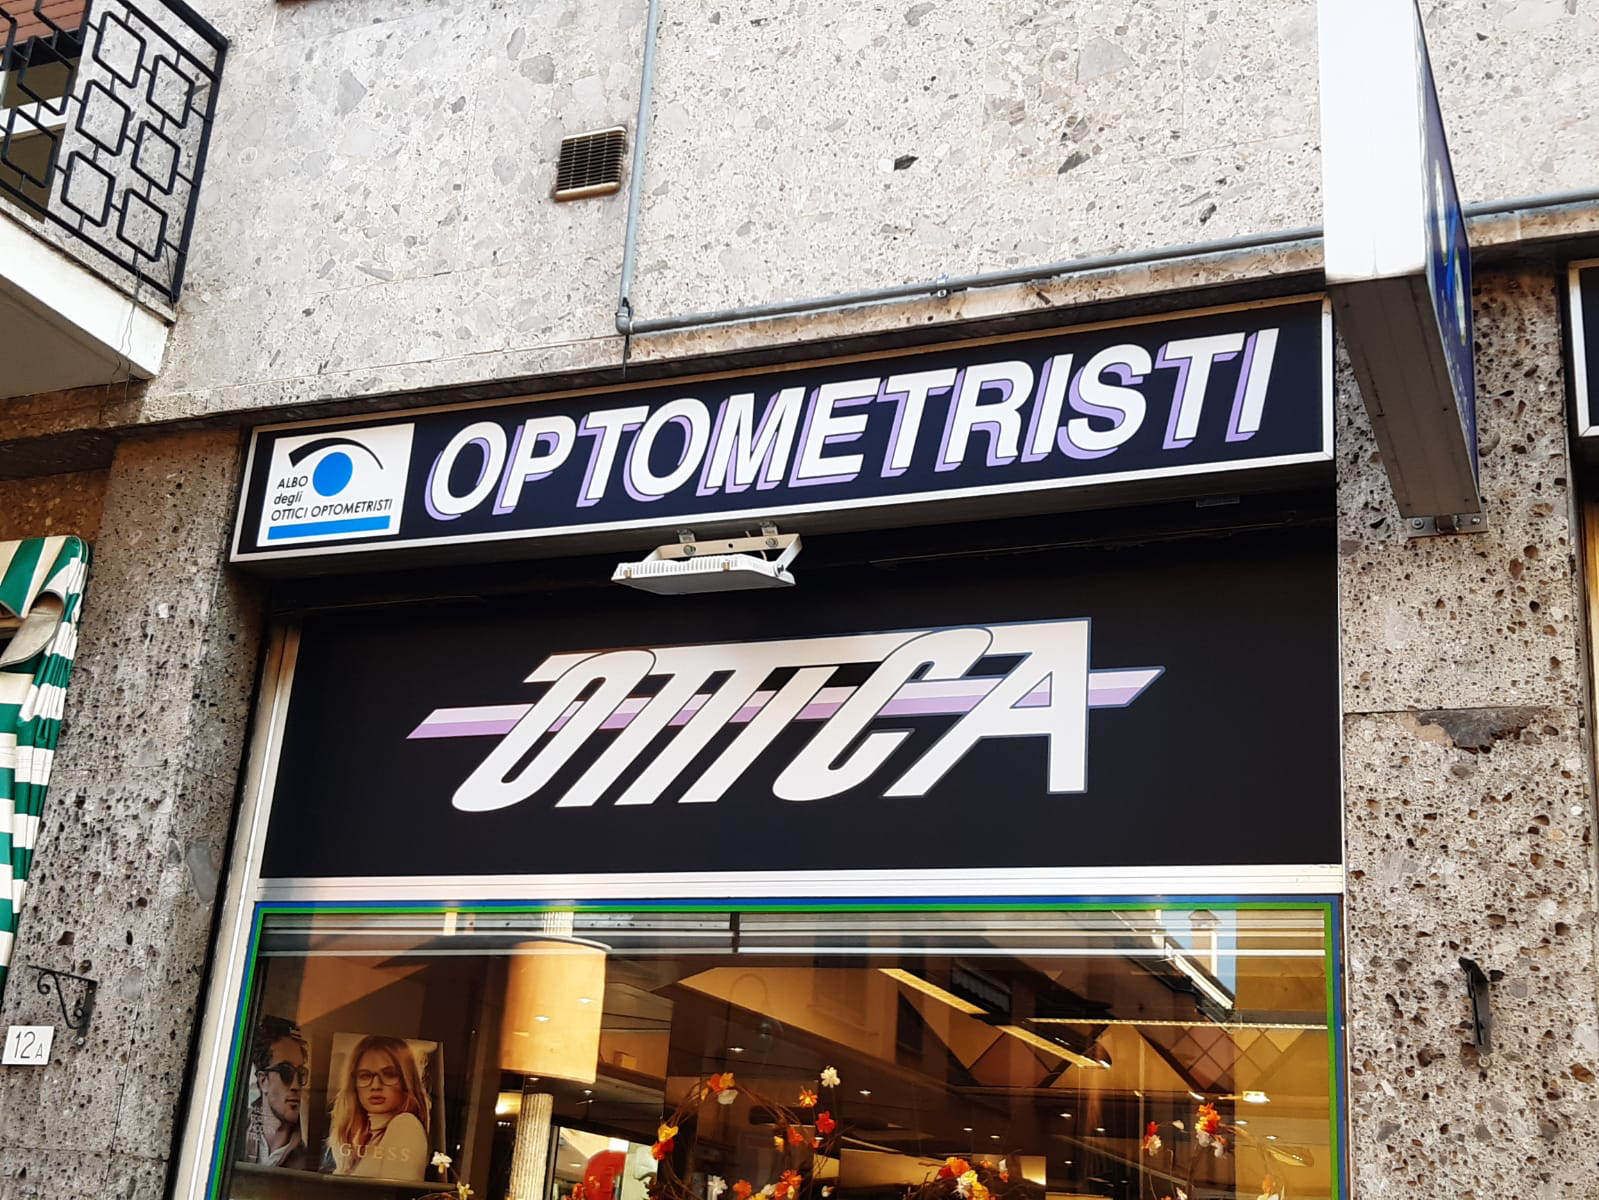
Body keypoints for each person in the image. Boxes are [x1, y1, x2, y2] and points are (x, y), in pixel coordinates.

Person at [326, 1034, 431, 1179]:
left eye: (389, 1074)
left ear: (406, 1079)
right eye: (365, 1076)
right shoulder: (362, 1135)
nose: (375, 1085)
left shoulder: (405, 1125)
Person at [241, 1016, 316, 1170]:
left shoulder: (310, 1153)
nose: (295, 1085)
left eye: (300, 1074)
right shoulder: (236, 1133)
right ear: (263, 1081)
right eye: (285, 1072)